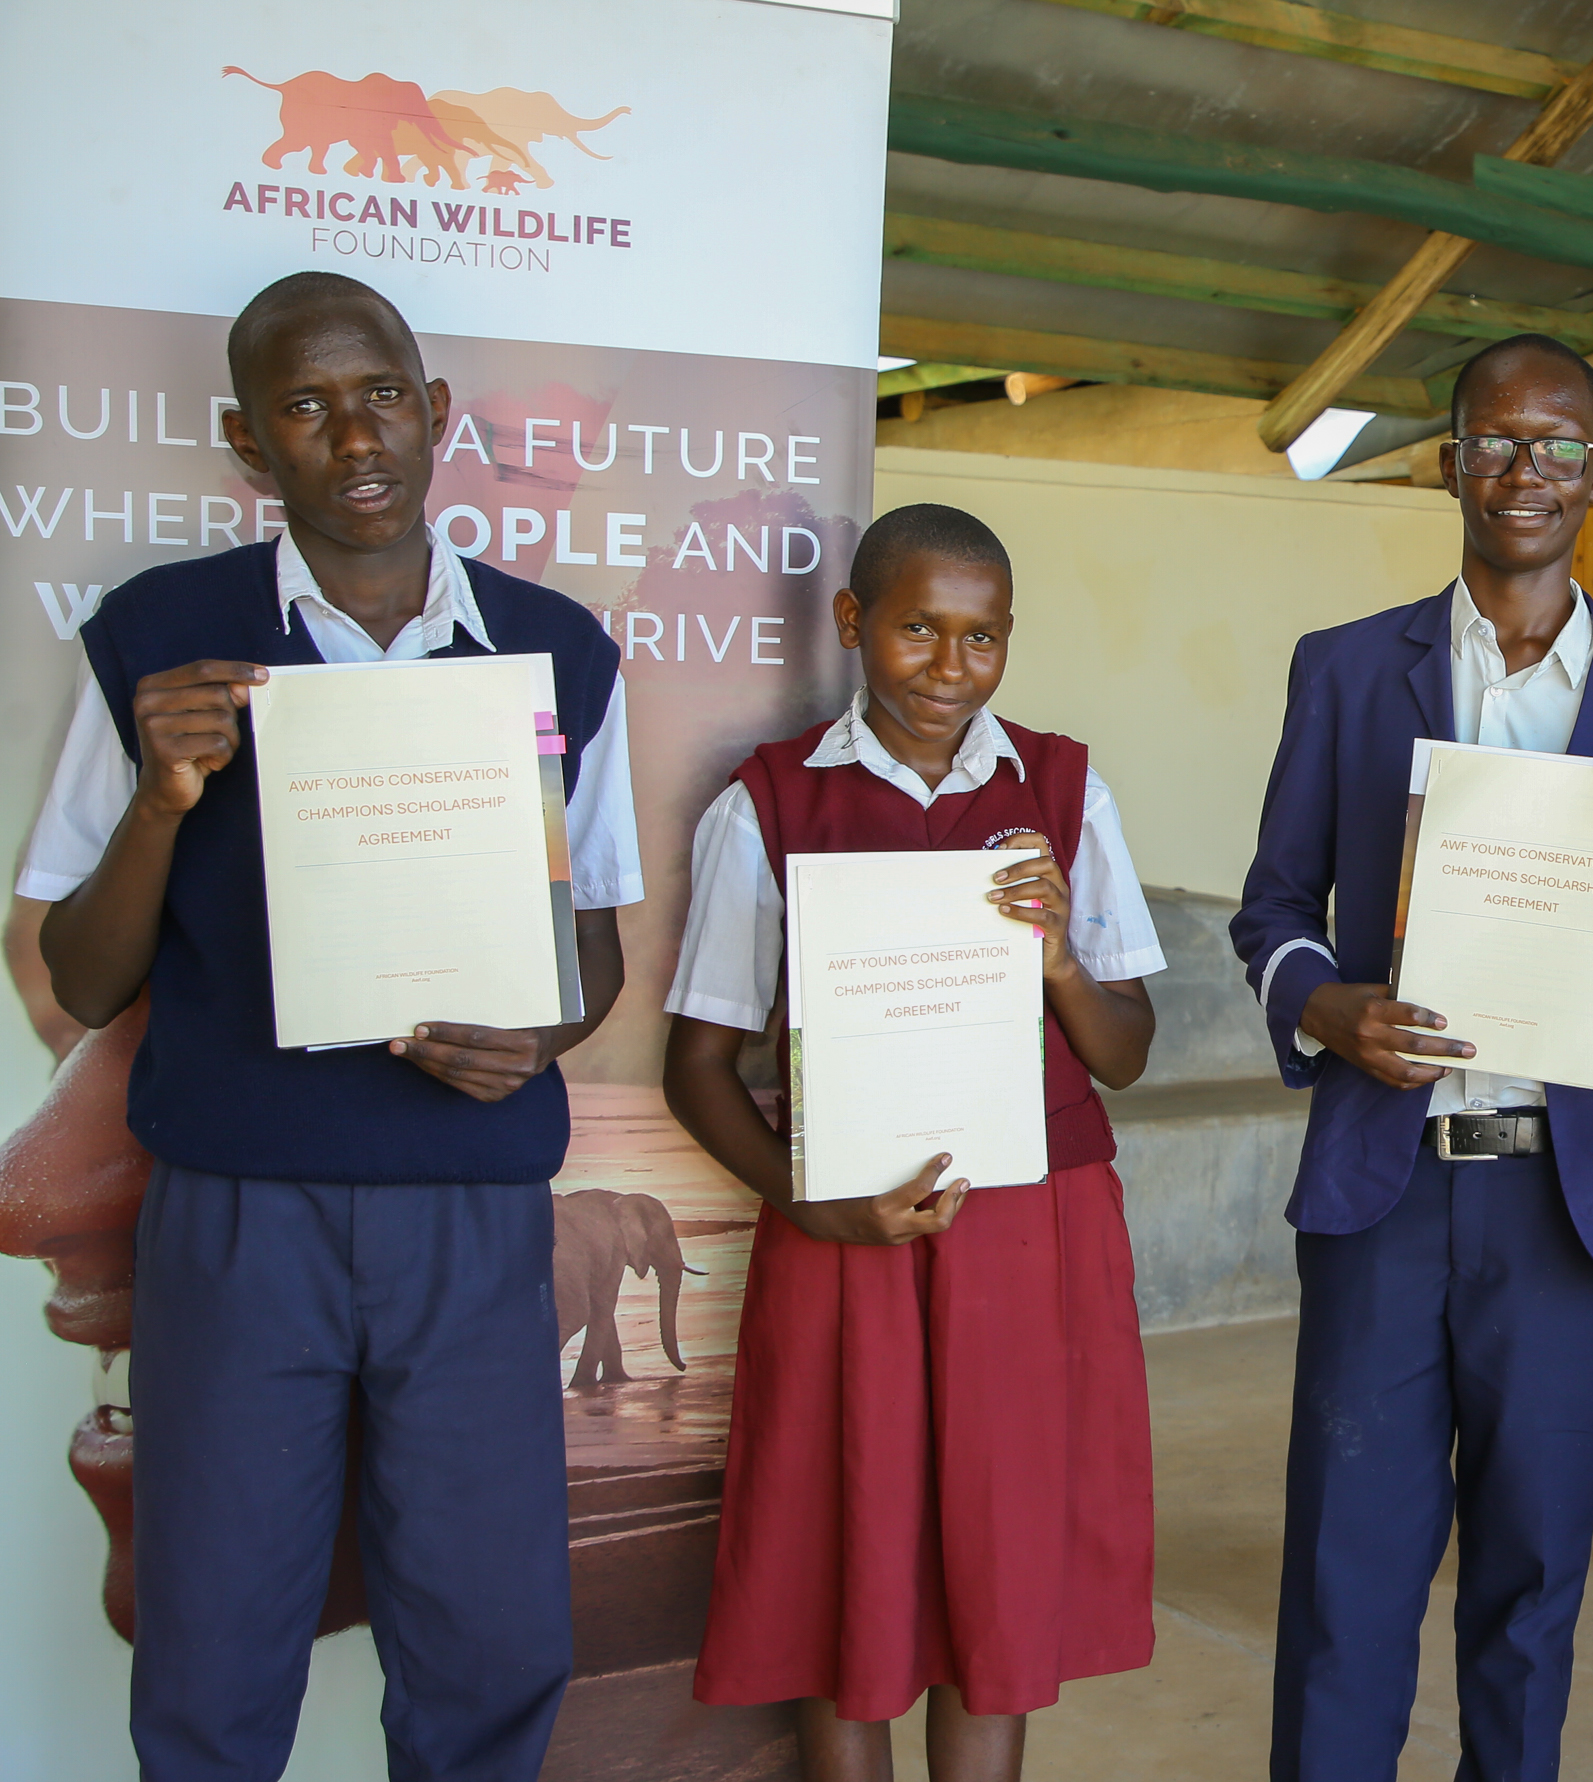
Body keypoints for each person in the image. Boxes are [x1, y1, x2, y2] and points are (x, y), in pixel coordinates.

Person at [18, 270, 640, 1780]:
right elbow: (81, 977)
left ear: (435, 416)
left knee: (487, 1637)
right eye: (304, 406)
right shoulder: (158, 642)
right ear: (249, 443)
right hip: (241, 1213)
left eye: (380, 396)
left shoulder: (558, 648)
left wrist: (536, 1037)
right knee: (217, 1640)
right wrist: (166, 801)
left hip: (471, 1215)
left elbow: (595, 956)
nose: (352, 435)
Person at [1231, 332, 1593, 1780]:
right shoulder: (1350, 673)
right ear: (1452, 459)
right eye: (1494, 440)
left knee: (1532, 1582)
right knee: (1348, 1575)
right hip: (1386, 1191)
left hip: (1562, 1208)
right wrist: (1329, 1009)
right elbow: (1274, 907)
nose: (1523, 470)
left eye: (1555, 445)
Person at [663, 504, 1163, 1781]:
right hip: (851, 1232)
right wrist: (808, 1202)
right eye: (919, 632)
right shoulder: (768, 804)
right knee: (853, 1553)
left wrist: (1054, 951)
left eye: (982, 638)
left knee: (1000, 1560)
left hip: (1031, 1229)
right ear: (852, 625)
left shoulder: (1062, 785)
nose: (951, 668)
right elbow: (700, 1068)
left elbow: (1124, 1050)